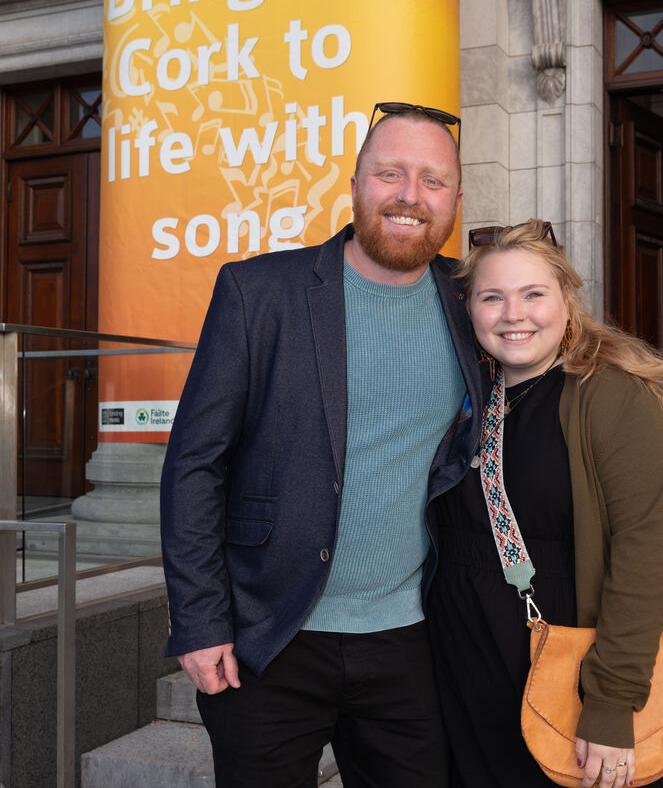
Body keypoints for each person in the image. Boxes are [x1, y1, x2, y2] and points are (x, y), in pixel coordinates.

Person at [160, 102, 485, 788]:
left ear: (456, 198)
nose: (409, 196)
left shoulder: (473, 302)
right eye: (389, 173)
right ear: (356, 183)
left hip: (414, 640)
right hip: (268, 637)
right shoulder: (258, 292)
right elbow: (195, 465)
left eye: (433, 180)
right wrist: (198, 620)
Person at [427, 219, 663, 788]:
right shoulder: (473, 397)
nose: (512, 314)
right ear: (469, 310)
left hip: (570, 670)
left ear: (567, 301)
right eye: (491, 297)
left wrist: (612, 702)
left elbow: (646, 554)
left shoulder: (612, 394)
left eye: (533, 294)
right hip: (469, 670)